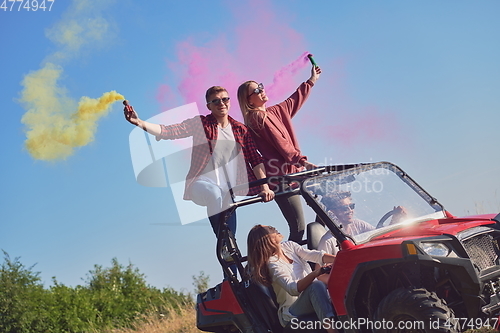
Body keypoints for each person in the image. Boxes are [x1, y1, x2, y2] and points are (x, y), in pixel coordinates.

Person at [124, 86, 275, 236]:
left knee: (228, 212)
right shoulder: (202, 124)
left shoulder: (241, 130)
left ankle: (230, 249)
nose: (221, 103)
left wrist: (265, 187)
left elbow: (255, 160)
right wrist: (139, 122)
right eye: (215, 101)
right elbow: (170, 131)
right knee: (215, 193)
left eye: (224, 99)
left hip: (228, 190)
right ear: (208, 106)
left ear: (229, 101)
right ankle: (225, 242)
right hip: (201, 183)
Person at [237, 64, 322, 243]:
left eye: (261, 86)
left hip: (295, 173)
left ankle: (320, 247)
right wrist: (303, 162)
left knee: (329, 203)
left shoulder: (274, 112)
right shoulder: (257, 118)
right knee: (298, 228)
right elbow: (282, 144)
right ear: (249, 100)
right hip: (282, 179)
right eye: (257, 90)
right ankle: (292, 266)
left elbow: (293, 101)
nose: (262, 90)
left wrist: (311, 81)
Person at [247, 224, 338, 332]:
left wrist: (341, 258)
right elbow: (293, 288)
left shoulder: (289, 246)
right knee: (316, 285)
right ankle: (332, 330)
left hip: (312, 297)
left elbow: (315, 255)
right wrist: (316, 273)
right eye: (270, 229)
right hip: (293, 310)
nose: (274, 228)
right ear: (265, 239)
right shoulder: (272, 264)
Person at [317, 191, 406, 255]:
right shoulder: (328, 240)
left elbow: (380, 239)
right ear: (333, 212)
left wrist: (395, 219)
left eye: (351, 206)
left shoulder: (359, 225)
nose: (350, 210)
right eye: (344, 208)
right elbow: (320, 274)